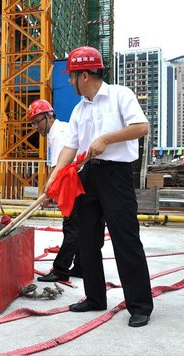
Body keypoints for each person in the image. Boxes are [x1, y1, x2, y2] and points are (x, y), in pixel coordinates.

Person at [46, 46, 153, 327]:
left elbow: (141, 127)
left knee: (125, 238)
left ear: (84, 75)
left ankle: (140, 305)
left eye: (71, 77)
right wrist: (54, 177)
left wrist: (106, 139)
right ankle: (94, 297)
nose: (69, 82)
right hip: (88, 176)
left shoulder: (120, 95)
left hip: (116, 175)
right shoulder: (80, 110)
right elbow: (70, 147)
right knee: (87, 238)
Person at [28, 99, 82, 283]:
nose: (36, 127)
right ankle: (81, 267)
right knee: (80, 227)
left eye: (38, 121)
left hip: (76, 182)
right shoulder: (55, 132)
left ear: (49, 116)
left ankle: (61, 270)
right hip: (75, 181)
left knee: (71, 227)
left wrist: (49, 192)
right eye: (33, 123)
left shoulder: (58, 133)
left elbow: (60, 166)